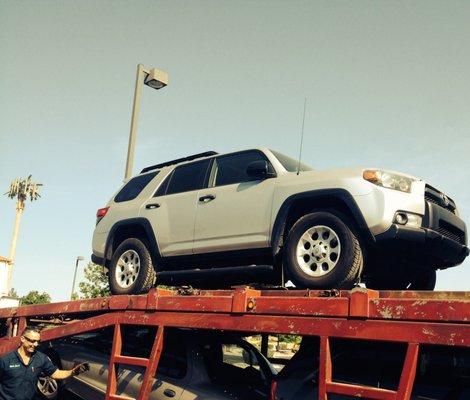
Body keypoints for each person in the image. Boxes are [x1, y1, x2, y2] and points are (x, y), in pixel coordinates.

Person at [0, 326, 89, 400]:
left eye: (38, 341)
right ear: (22, 339)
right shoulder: (6, 360)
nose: (35, 344)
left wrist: (72, 372)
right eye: (32, 341)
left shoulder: (41, 358)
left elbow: (55, 373)